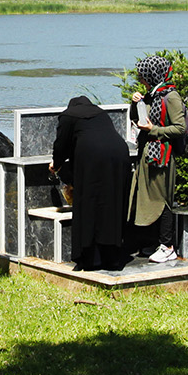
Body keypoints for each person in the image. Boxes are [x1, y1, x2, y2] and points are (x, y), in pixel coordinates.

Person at [50, 95, 132, 271]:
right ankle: (112, 258)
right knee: (112, 204)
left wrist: (56, 165)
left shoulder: (68, 115)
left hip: (93, 160)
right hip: (119, 155)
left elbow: (61, 145)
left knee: (89, 203)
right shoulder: (100, 113)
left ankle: (91, 258)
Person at [128, 55, 188, 263]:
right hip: (148, 153)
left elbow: (180, 128)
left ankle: (167, 245)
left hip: (161, 156)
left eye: (143, 77)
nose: (142, 80)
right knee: (146, 198)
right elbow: (137, 119)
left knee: (162, 201)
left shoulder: (170, 97)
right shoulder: (153, 94)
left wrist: (153, 129)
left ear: (152, 75)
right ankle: (154, 243)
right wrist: (135, 103)